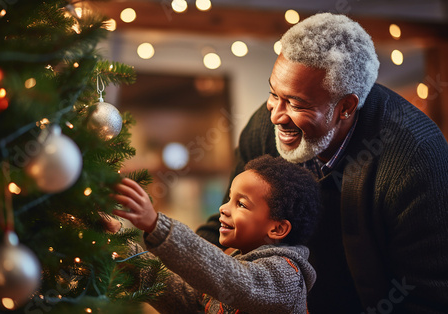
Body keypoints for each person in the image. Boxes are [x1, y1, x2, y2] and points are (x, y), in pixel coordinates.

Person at [196, 12, 448, 313]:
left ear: (346, 107)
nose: (275, 115)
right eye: (273, 94)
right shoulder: (264, 129)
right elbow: (230, 225)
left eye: (296, 103)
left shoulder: (417, 158)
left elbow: (428, 297)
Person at [111, 155, 320, 313]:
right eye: (229, 198)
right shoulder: (235, 259)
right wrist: (118, 243)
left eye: (241, 204)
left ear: (277, 229)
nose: (223, 208)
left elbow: (235, 280)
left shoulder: (287, 276)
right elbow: (183, 296)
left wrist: (157, 225)